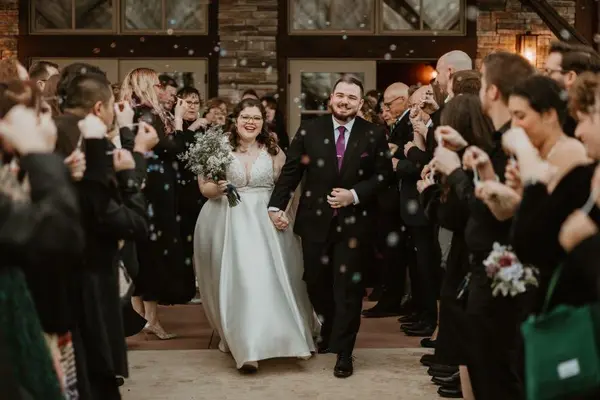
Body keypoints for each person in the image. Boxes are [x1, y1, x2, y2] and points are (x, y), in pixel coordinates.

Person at [268, 75, 393, 378]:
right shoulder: (310, 130)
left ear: (360, 104)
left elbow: (383, 176)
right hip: (315, 222)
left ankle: (344, 352)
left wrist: (354, 194)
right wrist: (275, 205)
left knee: (348, 288)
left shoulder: (373, 134)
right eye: (340, 95)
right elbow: (292, 171)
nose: (344, 102)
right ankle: (330, 326)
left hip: (355, 226)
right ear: (331, 99)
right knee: (315, 282)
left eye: (352, 97)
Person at [193, 98, 316, 373]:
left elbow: (287, 186)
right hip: (229, 221)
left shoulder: (273, 149)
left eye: (256, 118)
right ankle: (245, 346)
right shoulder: (217, 147)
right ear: (235, 119)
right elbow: (205, 188)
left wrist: (283, 212)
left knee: (268, 278)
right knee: (240, 280)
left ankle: (283, 337)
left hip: (265, 222)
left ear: (263, 122)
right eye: (245, 117)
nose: (250, 122)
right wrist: (219, 188)